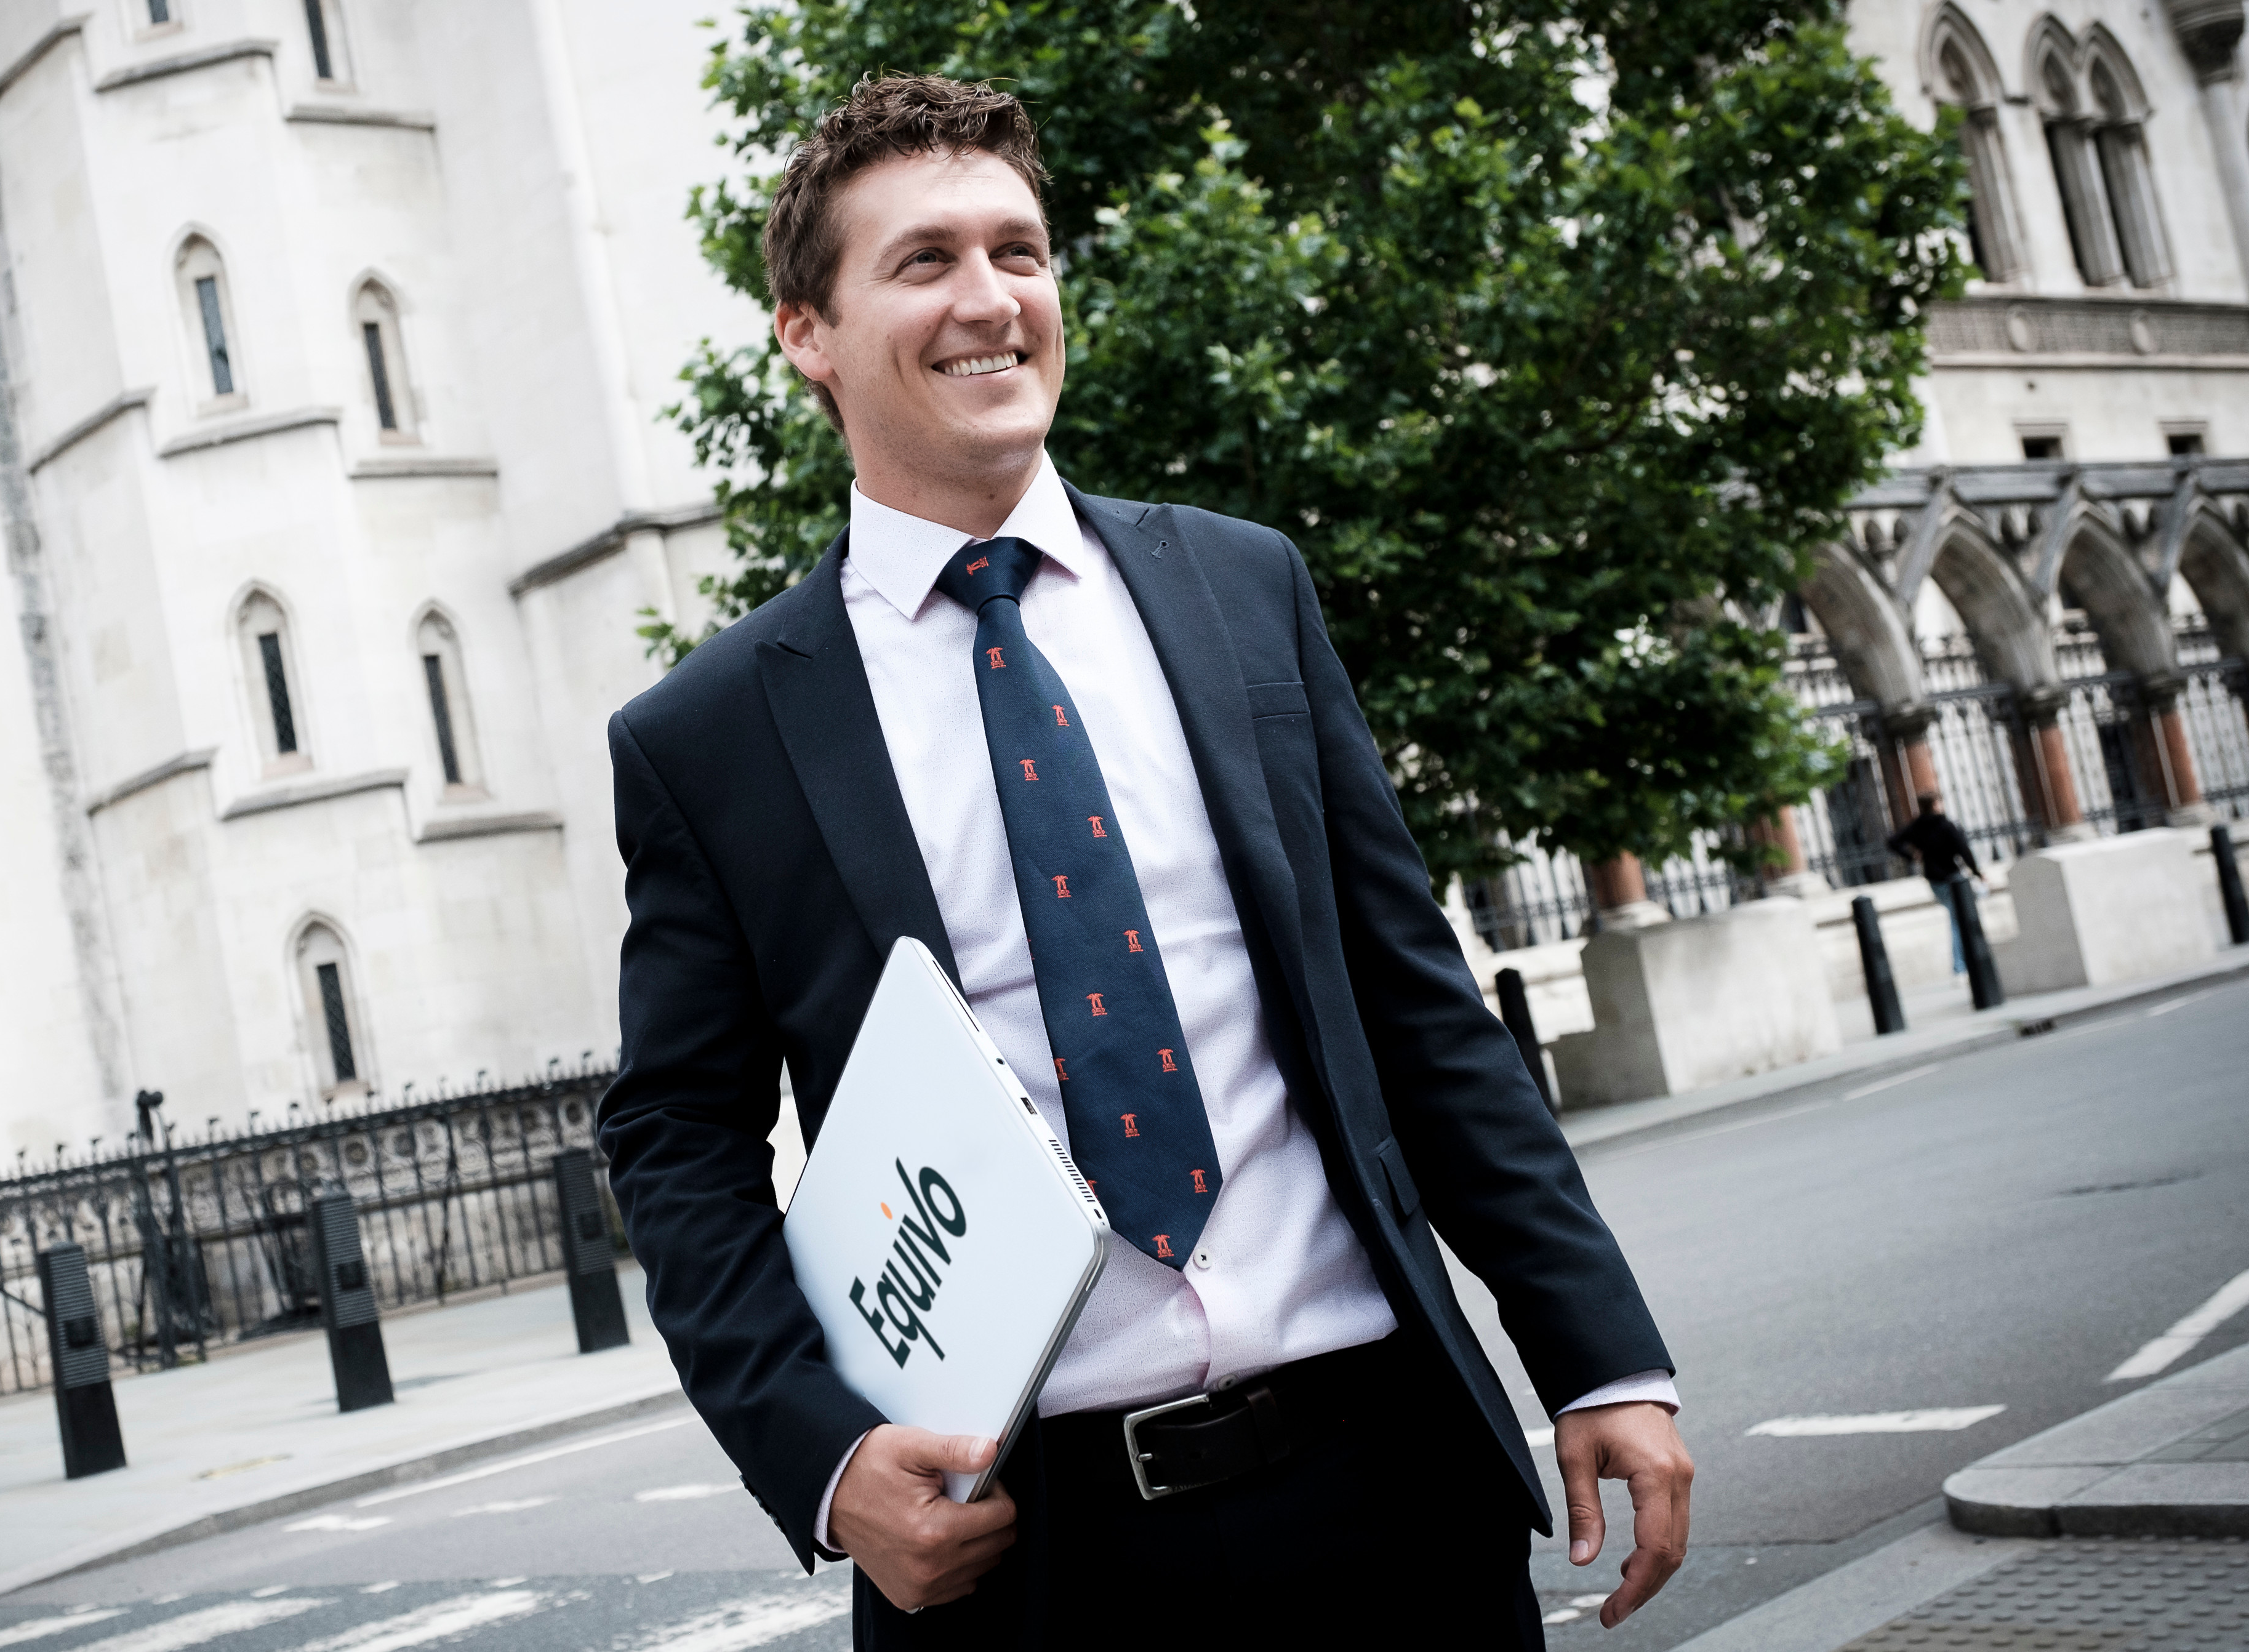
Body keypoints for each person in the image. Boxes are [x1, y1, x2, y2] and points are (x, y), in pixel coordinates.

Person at [597, 76, 1691, 1647]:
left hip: (1388, 1487)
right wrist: (826, 1459)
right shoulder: (709, 735)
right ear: (804, 333)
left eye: (1018, 251)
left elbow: (1413, 999)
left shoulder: (1244, 592)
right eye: (921, 262)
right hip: (1026, 1559)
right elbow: (677, 1139)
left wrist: (1596, 1352)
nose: (989, 300)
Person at [1886, 792, 1984, 974]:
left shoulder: (1917, 826)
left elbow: (1892, 842)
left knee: (1957, 916)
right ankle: (1961, 964)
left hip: (1934, 879)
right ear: (1935, 805)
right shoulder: (1945, 825)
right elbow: (1964, 850)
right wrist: (1977, 872)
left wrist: (1912, 856)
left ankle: (1967, 959)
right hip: (1953, 878)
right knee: (1959, 919)